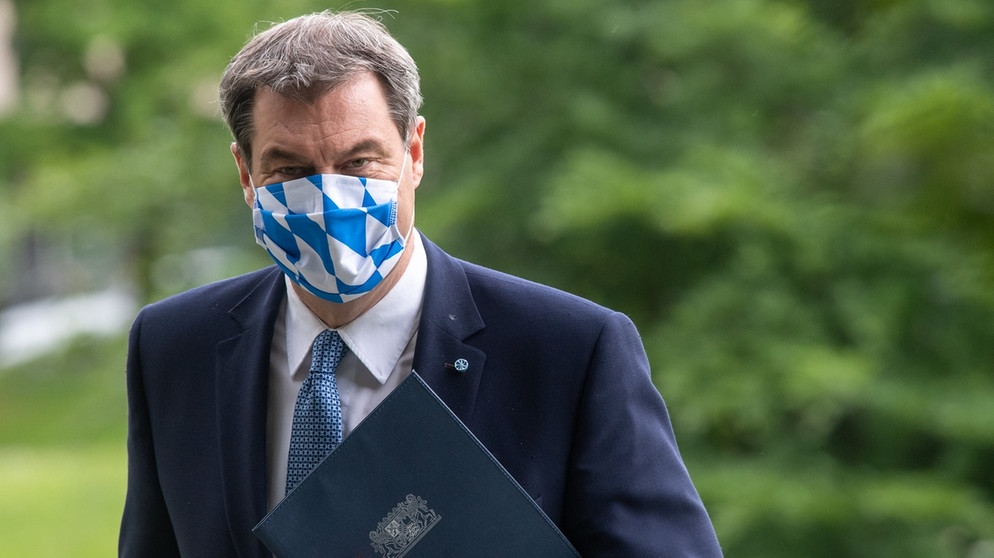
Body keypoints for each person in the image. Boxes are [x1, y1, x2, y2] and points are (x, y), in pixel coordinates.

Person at [119, 10, 722, 557]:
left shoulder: (569, 352)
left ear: (415, 151)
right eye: (291, 170)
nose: (331, 198)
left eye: (360, 162)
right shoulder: (173, 348)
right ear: (246, 174)